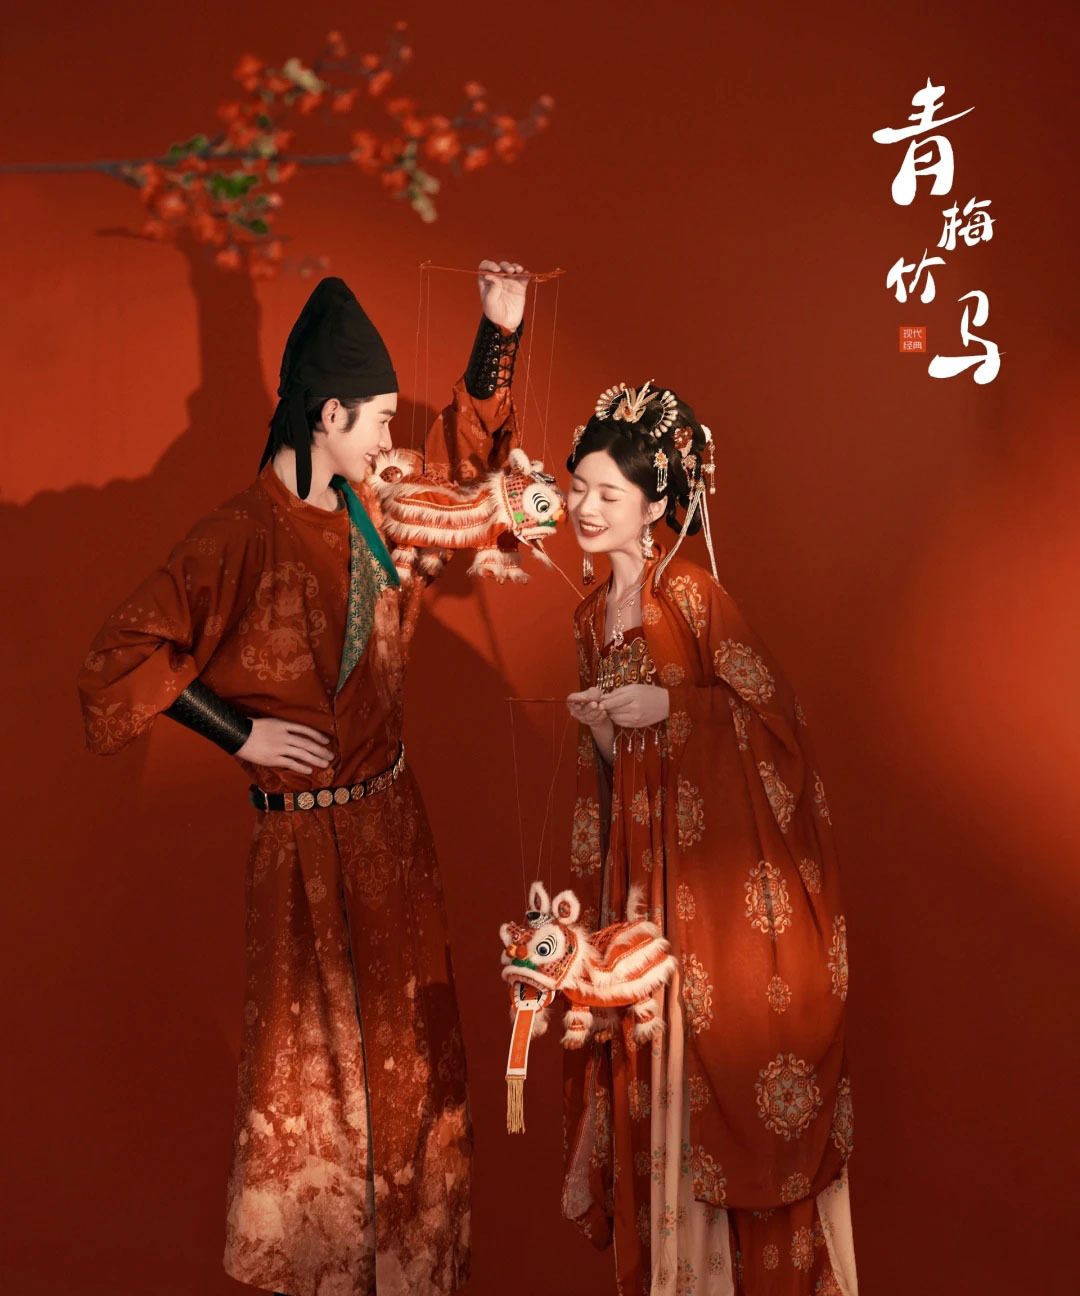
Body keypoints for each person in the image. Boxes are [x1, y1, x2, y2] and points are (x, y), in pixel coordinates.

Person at [77, 261, 529, 1296]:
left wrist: (496, 332)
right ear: (329, 416)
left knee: (415, 1086)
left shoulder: (382, 500)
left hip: (395, 837)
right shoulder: (239, 536)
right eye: (379, 419)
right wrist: (238, 732)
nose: (391, 438)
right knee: (320, 1099)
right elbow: (118, 659)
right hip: (303, 863)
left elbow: (460, 478)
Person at [562, 382, 857, 1295]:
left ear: (655, 504)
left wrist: (674, 710)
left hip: (715, 900)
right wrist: (604, 728)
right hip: (638, 883)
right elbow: (613, 775)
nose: (584, 506)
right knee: (647, 1072)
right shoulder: (588, 615)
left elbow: (777, 724)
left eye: (607, 493)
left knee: (714, 1071)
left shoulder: (691, 594)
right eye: (577, 487)